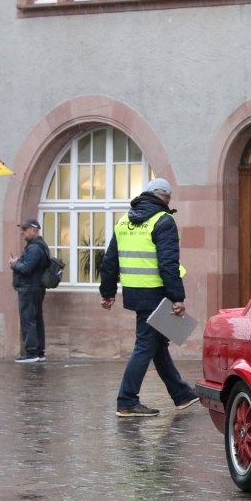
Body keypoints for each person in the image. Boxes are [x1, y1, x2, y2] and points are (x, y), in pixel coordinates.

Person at [99, 178, 198, 419]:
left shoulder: (124, 221)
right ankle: (127, 400)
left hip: (134, 292)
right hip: (155, 293)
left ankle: (182, 394)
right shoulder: (163, 220)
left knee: (157, 345)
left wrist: (108, 292)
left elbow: (109, 260)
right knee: (145, 345)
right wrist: (177, 297)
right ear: (166, 198)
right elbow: (168, 264)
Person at [9, 218, 51, 363]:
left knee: (28, 319)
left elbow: (26, 269)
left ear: (34, 230)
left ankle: (32, 353)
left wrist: (14, 264)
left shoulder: (34, 248)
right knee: (36, 319)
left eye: (25, 229)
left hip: (29, 288)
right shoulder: (39, 246)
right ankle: (39, 352)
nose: (22, 232)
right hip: (35, 288)